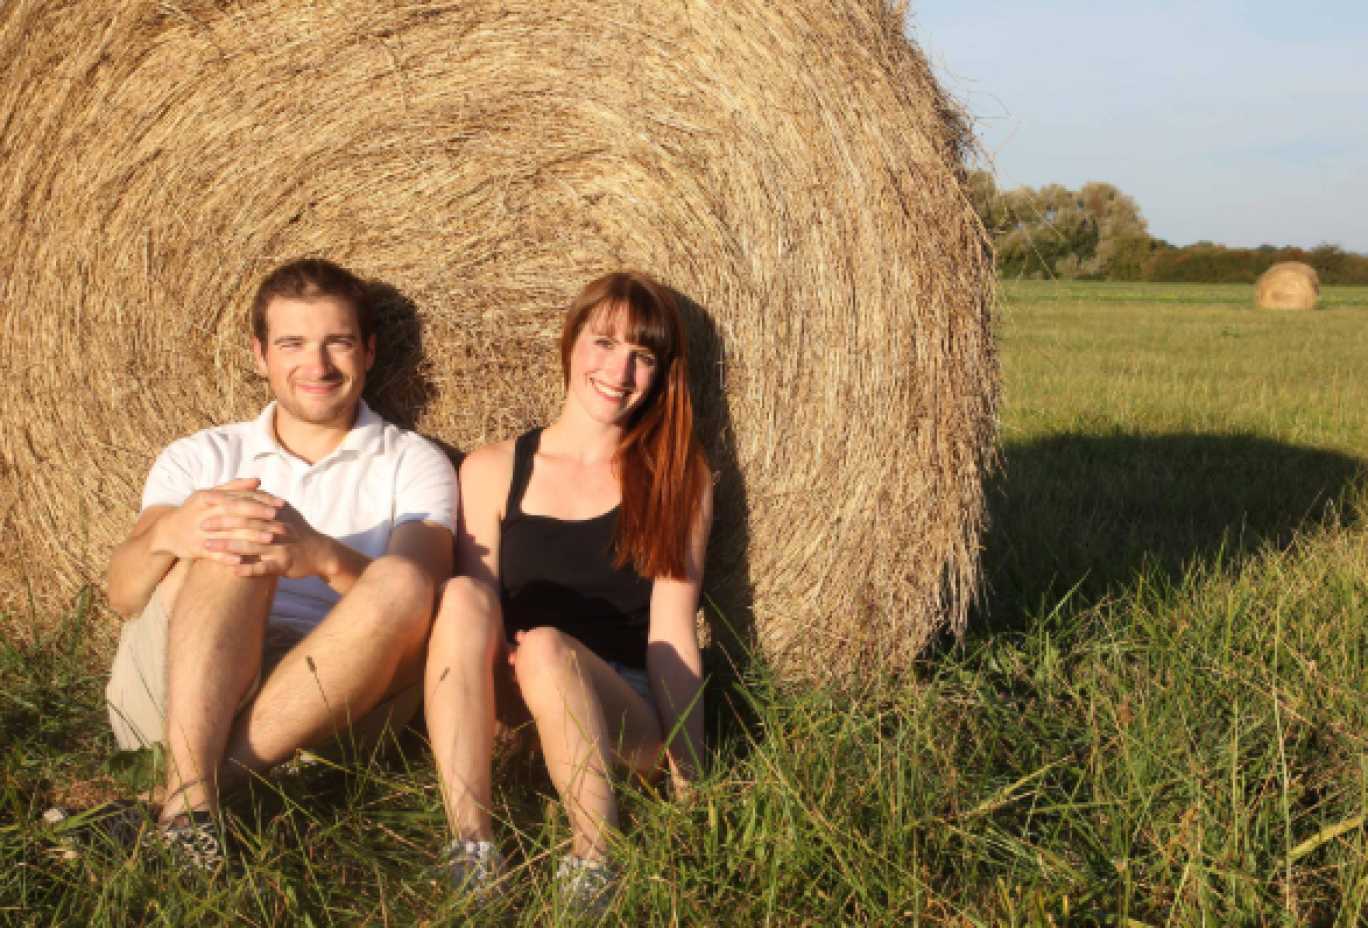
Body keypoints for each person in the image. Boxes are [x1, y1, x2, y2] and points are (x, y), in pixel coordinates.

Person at [103, 257, 456, 870]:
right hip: (177, 684)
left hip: (333, 706)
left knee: (399, 577)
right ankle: (200, 803)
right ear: (260, 353)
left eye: (337, 343)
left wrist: (320, 555)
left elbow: (419, 600)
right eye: (292, 343)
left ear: (368, 353)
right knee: (235, 532)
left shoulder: (414, 462)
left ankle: (181, 802)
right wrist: (174, 536)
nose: (316, 366)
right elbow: (124, 595)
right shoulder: (201, 454)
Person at [424, 270, 713, 910]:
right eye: (605, 343)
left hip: (620, 715)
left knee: (550, 647)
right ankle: (472, 849)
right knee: (463, 599)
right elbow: (476, 619)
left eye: (645, 356)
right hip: (510, 700)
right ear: (571, 342)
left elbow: (671, 633)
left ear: (663, 374)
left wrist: (691, 781)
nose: (621, 370)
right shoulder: (493, 469)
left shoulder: (678, 479)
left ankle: (595, 858)